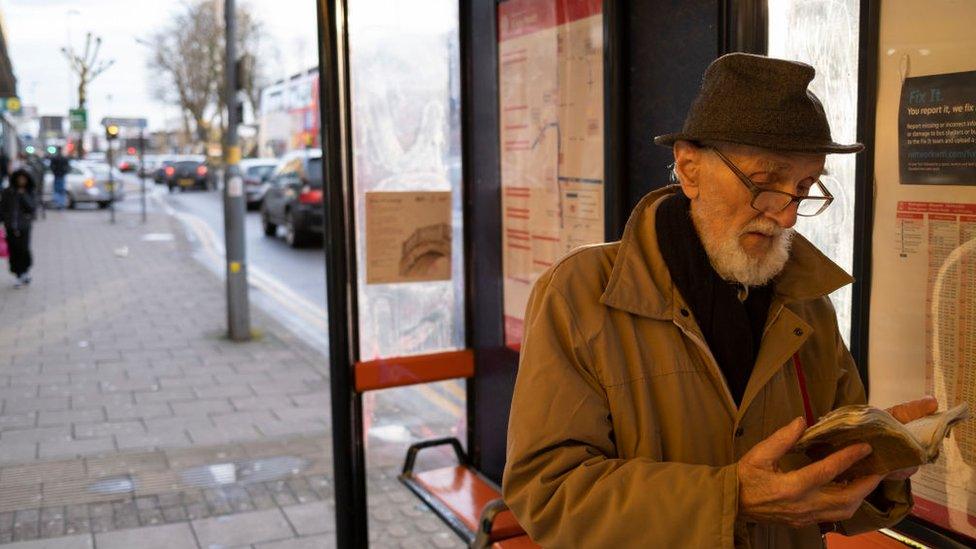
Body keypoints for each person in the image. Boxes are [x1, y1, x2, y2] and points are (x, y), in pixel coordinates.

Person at [502, 53, 937, 548]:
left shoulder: (807, 303)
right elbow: (548, 492)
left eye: (802, 187)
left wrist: (879, 461)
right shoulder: (580, 293)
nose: (787, 215)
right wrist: (731, 499)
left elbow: (827, 474)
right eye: (766, 182)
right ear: (690, 170)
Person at [0, 169, 37, 287]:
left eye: (24, 179)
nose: (21, 181)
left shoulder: (29, 191)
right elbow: (2, 208)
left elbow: (32, 207)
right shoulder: (8, 192)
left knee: (24, 249)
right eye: (19, 178)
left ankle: (25, 271)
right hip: (10, 227)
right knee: (13, 251)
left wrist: (23, 195)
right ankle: (18, 274)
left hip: (24, 227)